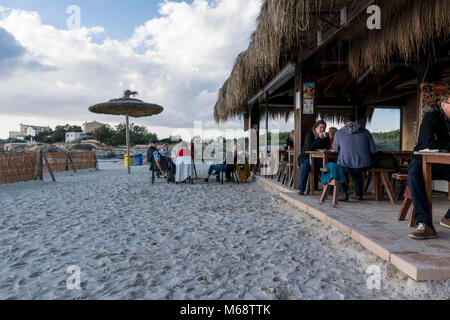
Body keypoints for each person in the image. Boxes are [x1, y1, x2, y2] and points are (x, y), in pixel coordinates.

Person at [407, 91, 450, 240]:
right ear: (444, 105)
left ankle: (448, 217)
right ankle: (425, 224)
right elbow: (428, 143)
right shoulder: (432, 116)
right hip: (422, 158)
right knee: (413, 175)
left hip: (445, 162)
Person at [333, 116, 376, 201]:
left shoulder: (339, 132)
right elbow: (373, 150)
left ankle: (343, 193)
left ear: (344, 123)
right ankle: (358, 194)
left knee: (338, 167)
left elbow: (335, 150)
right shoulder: (366, 132)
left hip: (346, 164)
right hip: (364, 164)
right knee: (357, 168)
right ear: (356, 121)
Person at [297, 120, 331, 195]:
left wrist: (327, 138)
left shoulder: (325, 136)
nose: (322, 129)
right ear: (315, 128)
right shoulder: (309, 135)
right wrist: (318, 138)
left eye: (324, 128)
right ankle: (301, 188)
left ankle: (329, 188)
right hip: (306, 156)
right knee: (305, 166)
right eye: (320, 127)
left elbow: (327, 147)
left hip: (318, 157)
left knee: (328, 166)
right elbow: (309, 148)